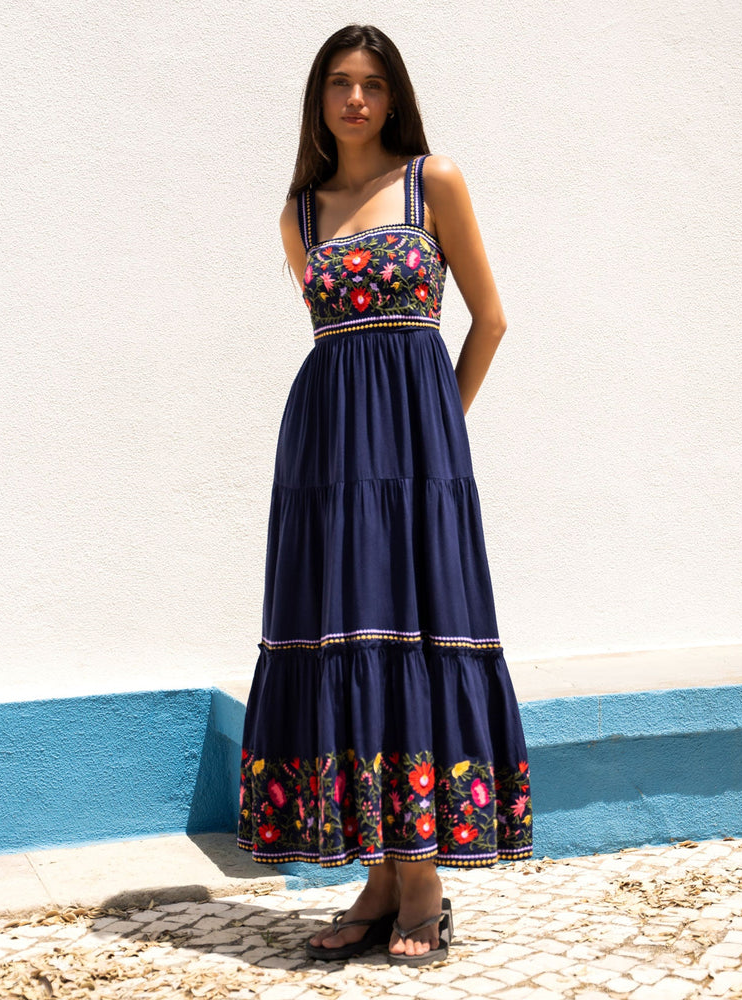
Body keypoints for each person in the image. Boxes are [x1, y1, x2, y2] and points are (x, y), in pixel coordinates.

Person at [237, 24, 532, 965]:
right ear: (319, 100)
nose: (355, 101)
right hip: (325, 451)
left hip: (417, 451)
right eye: (338, 85)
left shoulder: (431, 181)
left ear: (393, 96)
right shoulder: (301, 211)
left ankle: (423, 883)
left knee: (416, 629)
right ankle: (377, 872)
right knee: (345, 631)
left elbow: (488, 321)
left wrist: (439, 427)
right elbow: (336, 337)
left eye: (370, 85)